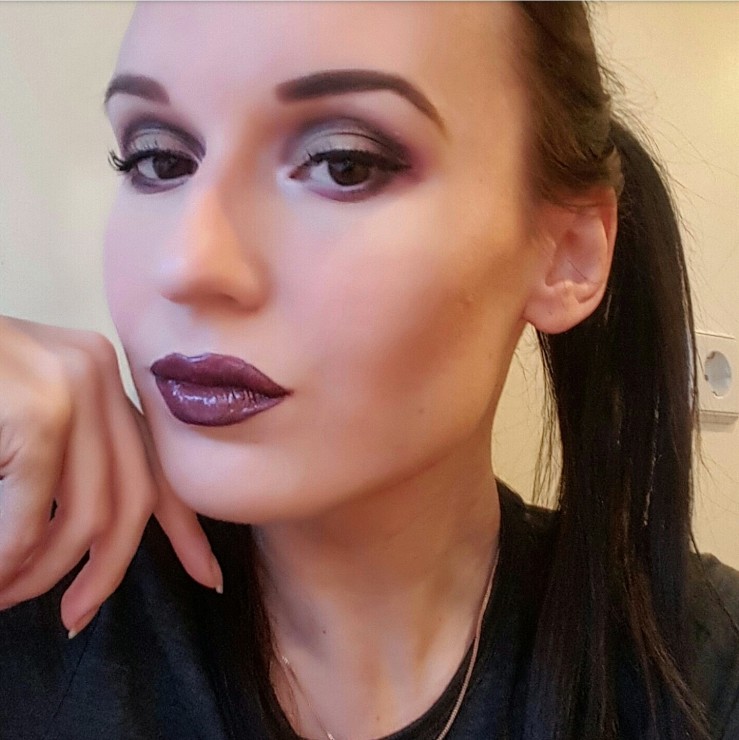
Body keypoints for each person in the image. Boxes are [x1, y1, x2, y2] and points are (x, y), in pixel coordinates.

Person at [0, 3, 737, 739]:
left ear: (567, 253)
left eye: (343, 164)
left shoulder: (702, 668)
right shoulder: (30, 597)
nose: (188, 264)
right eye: (158, 160)